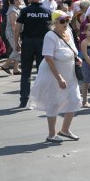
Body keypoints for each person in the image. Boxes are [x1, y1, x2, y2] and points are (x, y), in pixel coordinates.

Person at [28, 10, 81, 142]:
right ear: (54, 22)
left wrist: (76, 58)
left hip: (69, 74)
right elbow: (48, 58)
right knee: (54, 103)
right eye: (62, 21)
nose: (66, 23)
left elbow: (73, 49)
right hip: (53, 75)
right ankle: (51, 134)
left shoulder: (68, 32)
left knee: (75, 100)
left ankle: (65, 130)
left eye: (67, 20)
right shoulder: (50, 36)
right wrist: (59, 78)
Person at [14, 0, 51, 108]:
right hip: (43, 43)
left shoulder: (25, 11)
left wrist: (16, 42)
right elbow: (52, 29)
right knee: (43, 72)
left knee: (26, 72)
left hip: (28, 42)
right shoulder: (47, 11)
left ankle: (24, 99)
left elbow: (17, 27)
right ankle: (43, 98)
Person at [0, 0, 22, 74]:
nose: (20, 0)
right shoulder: (13, 10)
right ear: (15, 1)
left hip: (15, 33)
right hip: (12, 33)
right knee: (17, 50)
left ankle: (16, 69)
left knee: (17, 50)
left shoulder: (16, 8)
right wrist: (17, 38)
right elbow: (14, 25)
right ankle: (5, 65)